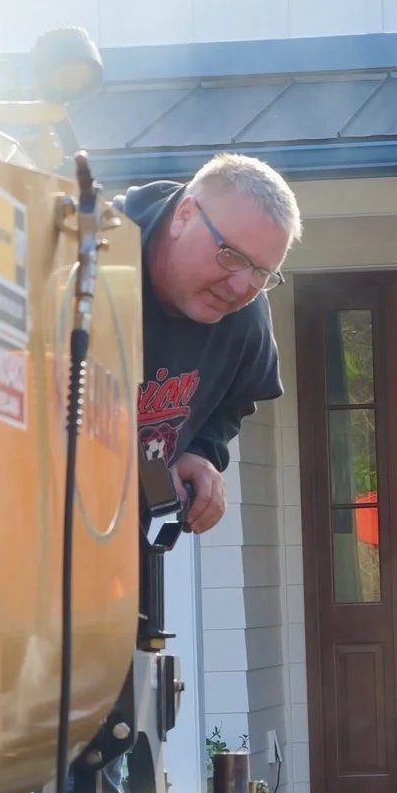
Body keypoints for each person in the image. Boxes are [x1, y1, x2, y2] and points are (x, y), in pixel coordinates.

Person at [119, 154, 301, 532]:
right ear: (184, 215)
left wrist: (200, 452)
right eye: (230, 256)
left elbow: (234, 402)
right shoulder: (85, 259)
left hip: (126, 542)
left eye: (261, 272)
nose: (240, 287)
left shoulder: (247, 316)